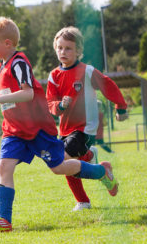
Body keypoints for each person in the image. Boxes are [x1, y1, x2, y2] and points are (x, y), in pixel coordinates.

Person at [0, 17, 117, 232]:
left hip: (36, 129)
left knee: (59, 167)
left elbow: (26, 94)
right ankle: (4, 220)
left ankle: (101, 172)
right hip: (14, 131)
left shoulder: (18, 63)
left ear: (7, 43)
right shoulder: (2, 65)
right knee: (4, 166)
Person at [46, 26, 128, 211]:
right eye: (59, 48)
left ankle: (85, 197)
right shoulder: (54, 76)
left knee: (62, 160)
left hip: (85, 129)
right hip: (65, 130)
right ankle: (94, 169)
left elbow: (109, 86)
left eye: (68, 48)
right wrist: (60, 106)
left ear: (78, 51)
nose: (63, 52)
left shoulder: (87, 71)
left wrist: (121, 107)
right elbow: (50, 102)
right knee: (66, 164)